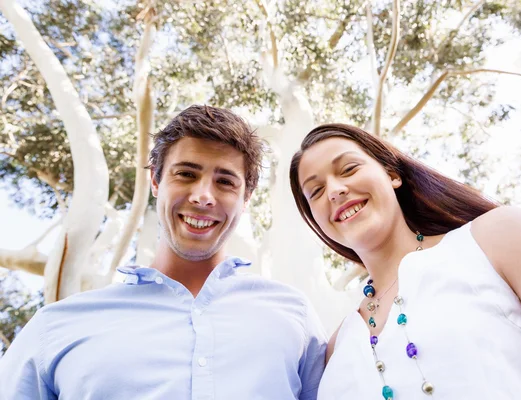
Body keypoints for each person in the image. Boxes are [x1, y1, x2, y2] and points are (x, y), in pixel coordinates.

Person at [0, 105, 327, 400]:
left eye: (225, 181)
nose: (203, 196)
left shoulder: (293, 314)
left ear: (246, 198)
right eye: (186, 174)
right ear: (156, 181)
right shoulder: (55, 327)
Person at [289, 123, 521, 399]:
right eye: (315, 191)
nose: (335, 190)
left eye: (348, 169)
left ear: (391, 174)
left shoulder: (498, 238)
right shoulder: (336, 348)